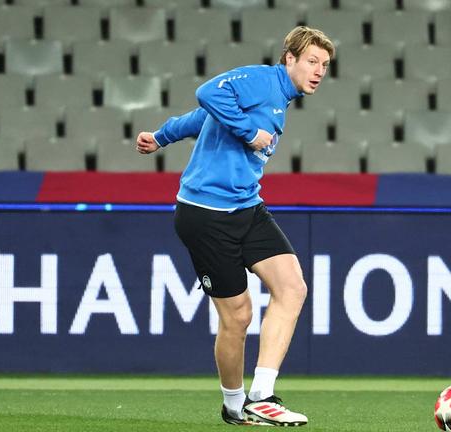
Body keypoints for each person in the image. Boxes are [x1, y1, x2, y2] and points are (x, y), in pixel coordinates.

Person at [136, 26, 334, 427]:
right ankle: (233, 403)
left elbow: (201, 118)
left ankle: (261, 396)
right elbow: (208, 94)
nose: (318, 71)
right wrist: (250, 133)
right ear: (289, 59)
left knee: (292, 287)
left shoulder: (281, 97)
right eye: (312, 61)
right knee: (238, 316)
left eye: (325, 65)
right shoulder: (264, 81)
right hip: (205, 214)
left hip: (246, 206)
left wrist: (160, 136)